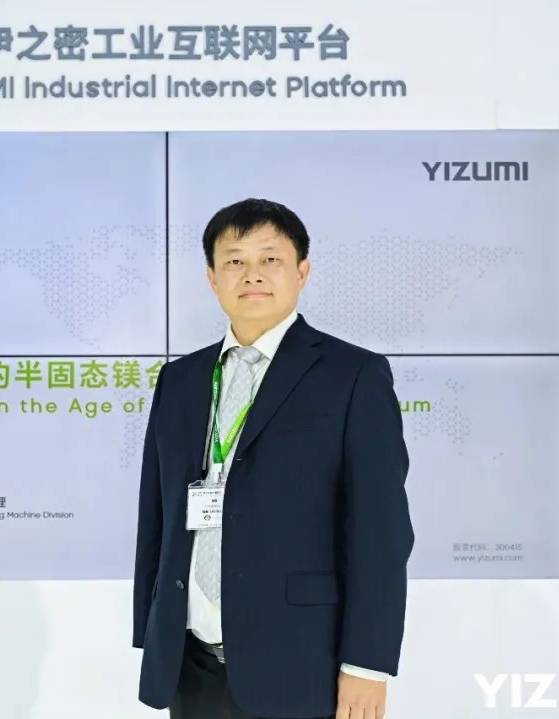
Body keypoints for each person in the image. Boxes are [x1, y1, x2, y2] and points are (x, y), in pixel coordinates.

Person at [132, 198, 414, 719]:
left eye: (270, 259)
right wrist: (152, 634)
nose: (252, 274)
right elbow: (158, 513)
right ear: (212, 278)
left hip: (302, 664)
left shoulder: (352, 375)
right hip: (190, 664)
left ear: (301, 272)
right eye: (234, 260)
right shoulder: (181, 379)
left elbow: (380, 531)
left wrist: (367, 664)